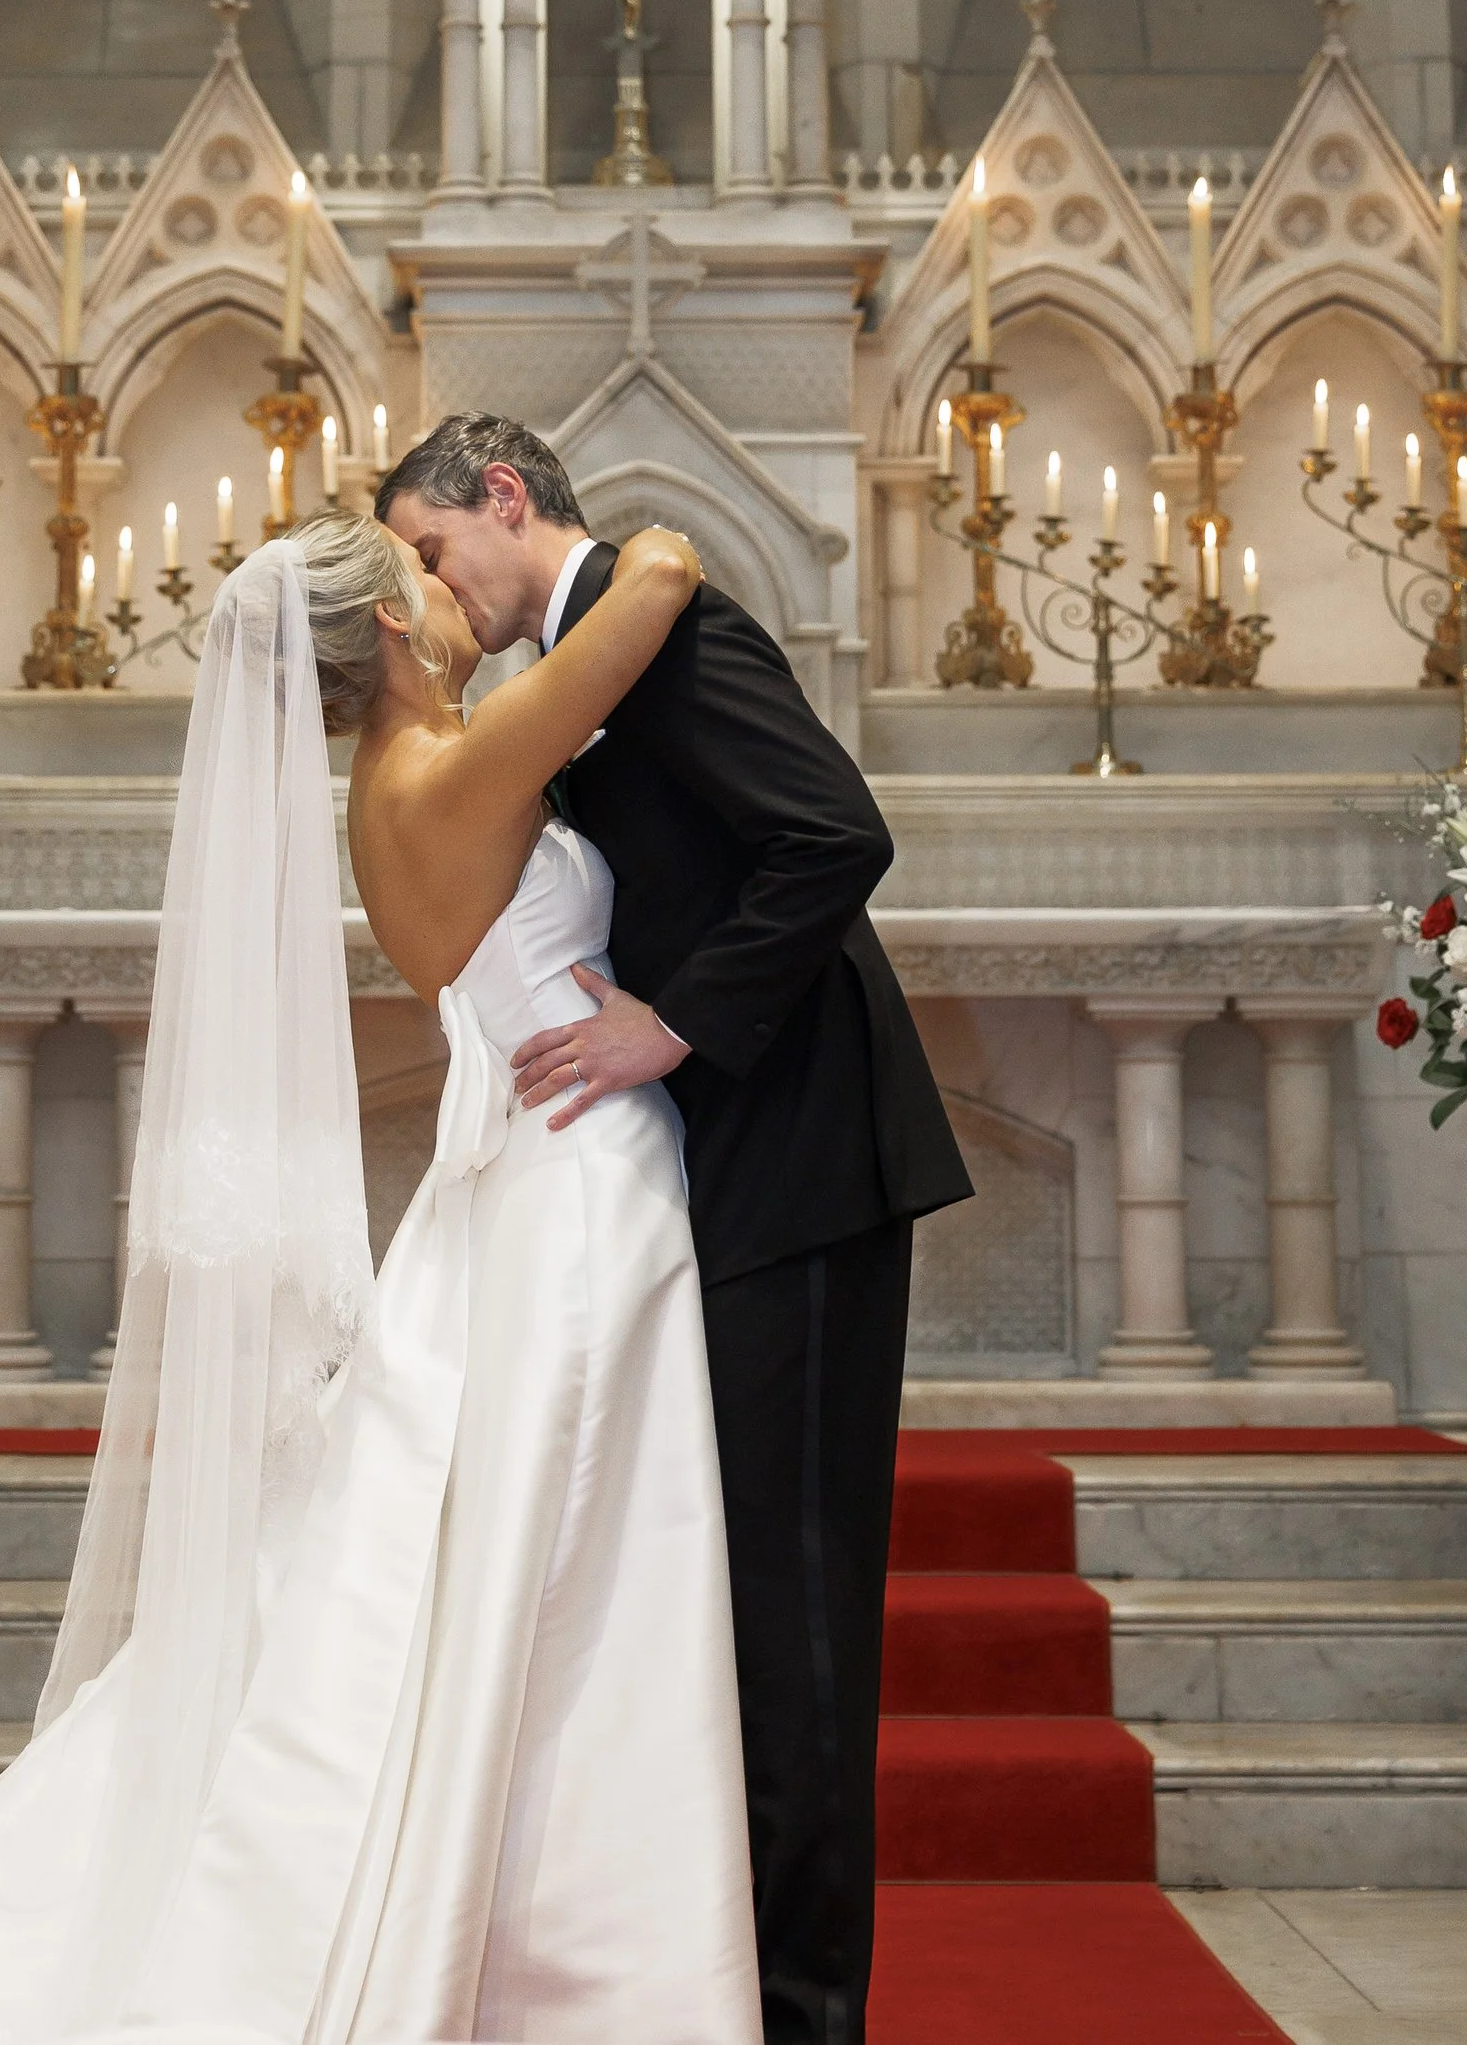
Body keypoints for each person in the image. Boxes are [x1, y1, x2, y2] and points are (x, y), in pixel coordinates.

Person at [0, 514, 758, 2045]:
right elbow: (660, 574)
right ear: (390, 631)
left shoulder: (400, 779)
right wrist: (585, 540)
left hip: (520, 1187)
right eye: (427, 571)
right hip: (570, 1189)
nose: (456, 588)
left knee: (514, 1576)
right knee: (584, 1576)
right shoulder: (455, 769)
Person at [377, 421, 972, 2045]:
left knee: (797, 1607)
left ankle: (807, 2014)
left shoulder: (665, 625)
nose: (432, 590)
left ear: (506, 496)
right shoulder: (594, 640)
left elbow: (837, 832)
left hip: (802, 1164)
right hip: (720, 1171)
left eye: (434, 548)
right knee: (739, 1610)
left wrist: (677, 1027)